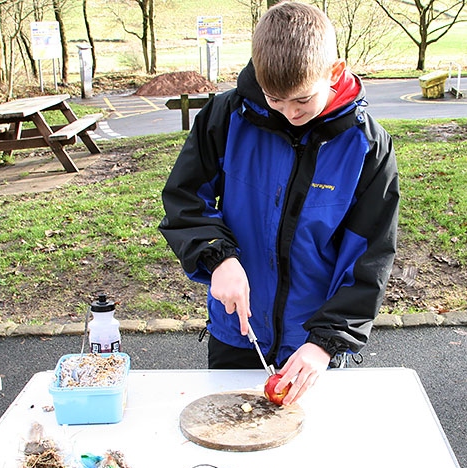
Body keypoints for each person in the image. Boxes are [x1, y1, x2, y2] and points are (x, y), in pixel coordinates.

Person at [159, 1, 399, 405]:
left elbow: (369, 258)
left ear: (334, 72)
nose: (289, 113)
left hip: (312, 342)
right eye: (275, 99)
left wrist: (326, 341)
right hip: (237, 330)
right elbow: (184, 200)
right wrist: (218, 258)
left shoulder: (367, 147)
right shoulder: (226, 115)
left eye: (302, 100)